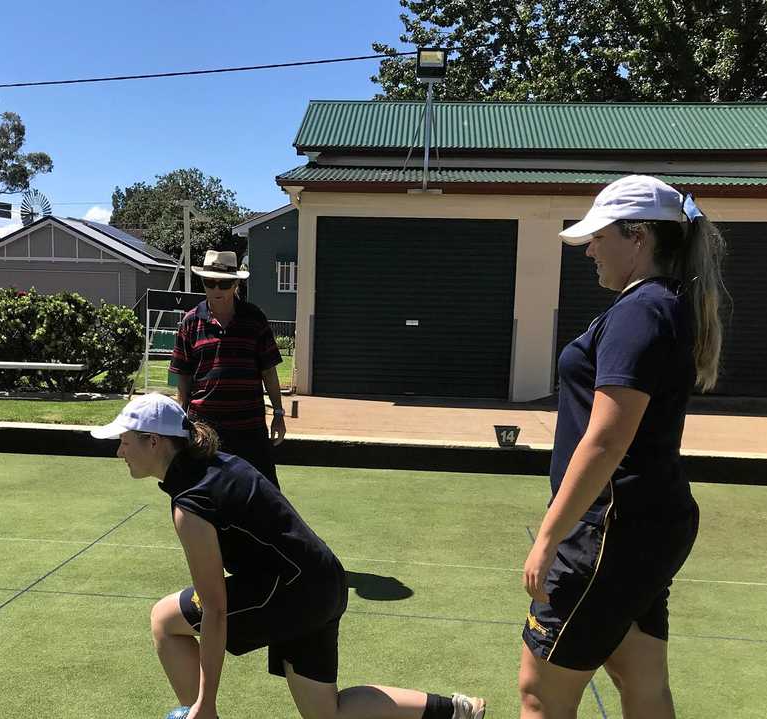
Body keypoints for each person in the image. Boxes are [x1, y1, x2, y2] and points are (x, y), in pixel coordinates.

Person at [91, 393, 486, 719]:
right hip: (323, 581)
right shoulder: (217, 463)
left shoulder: (191, 505)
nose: (119, 451)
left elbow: (215, 608)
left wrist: (206, 703)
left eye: (125, 440)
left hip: (293, 593)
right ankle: (456, 711)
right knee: (326, 713)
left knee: (164, 619)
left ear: (155, 441)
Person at [518, 175, 725, 719]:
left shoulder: (641, 310)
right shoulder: (664, 303)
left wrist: (548, 537)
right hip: (650, 523)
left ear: (639, 237)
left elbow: (607, 438)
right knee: (641, 679)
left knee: (540, 694)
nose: (588, 249)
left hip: (610, 528)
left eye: (598, 236)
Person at [170, 249, 287, 487]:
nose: (216, 290)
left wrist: (278, 413)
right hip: (203, 426)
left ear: (235, 284)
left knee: (264, 492)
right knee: (203, 492)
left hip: (249, 426)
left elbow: (269, 372)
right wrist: (180, 419)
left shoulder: (255, 319)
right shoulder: (190, 322)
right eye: (209, 283)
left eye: (223, 284)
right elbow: (183, 376)